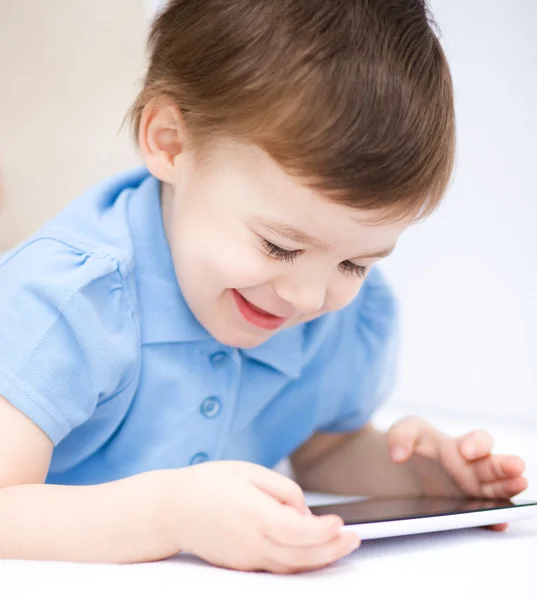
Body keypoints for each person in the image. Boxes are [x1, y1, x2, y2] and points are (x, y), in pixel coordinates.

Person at [0, 0, 527, 573]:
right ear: (171, 142)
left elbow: (323, 449)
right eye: (280, 247)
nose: (308, 298)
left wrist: (414, 477)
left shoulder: (337, 319)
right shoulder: (67, 304)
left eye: (354, 264)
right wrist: (172, 514)